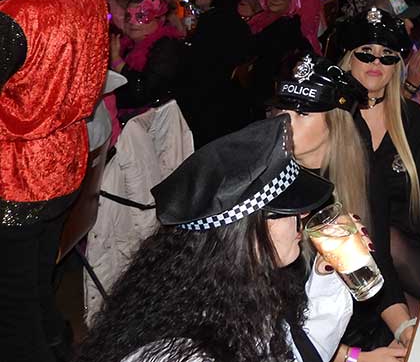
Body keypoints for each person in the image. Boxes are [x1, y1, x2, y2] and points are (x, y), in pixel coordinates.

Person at [76, 115, 352, 362]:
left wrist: (327, 279)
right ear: (244, 233)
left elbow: (291, 353)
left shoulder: (238, 297)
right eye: (286, 210)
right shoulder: (185, 354)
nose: (303, 214)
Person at [276, 17, 420, 354]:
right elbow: (268, 312)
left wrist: (402, 326)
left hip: (363, 287)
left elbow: (377, 252)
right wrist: (354, 356)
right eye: (365, 53)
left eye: (387, 56)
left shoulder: (366, 158)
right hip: (309, 328)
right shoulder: (270, 185)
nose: (376, 63)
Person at [0, 0, 109, 362]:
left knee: (13, 307)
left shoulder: (18, 14)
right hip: (65, 163)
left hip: (18, 176)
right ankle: (59, 346)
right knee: (35, 286)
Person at [177, 0, 253, 146]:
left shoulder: (212, 22)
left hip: (210, 110)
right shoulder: (232, 19)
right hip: (231, 104)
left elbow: (197, 70)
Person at [110, 0, 185, 120]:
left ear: (160, 19)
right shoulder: (127, 45)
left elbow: (145, 92)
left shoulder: (166, 47)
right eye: (128, 16)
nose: (132, 22)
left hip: (154, 123)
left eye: (141, 16)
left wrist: (117, 62)